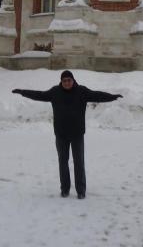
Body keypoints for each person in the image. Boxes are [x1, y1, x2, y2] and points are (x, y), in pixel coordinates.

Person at [12, 70, 122, 199]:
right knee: (63, 162)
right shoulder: (55, 92)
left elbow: (97, 95)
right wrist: (23, 92)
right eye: (64, 81)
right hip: (61, 134)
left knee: (79, 162)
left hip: (77, 134)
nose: (67, 83)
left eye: (69, 80)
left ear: (73, 80)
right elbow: (39, 95)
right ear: (61, 82)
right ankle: (65, 189)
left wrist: (112, 96)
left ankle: (81, 191)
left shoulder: (81, 91)